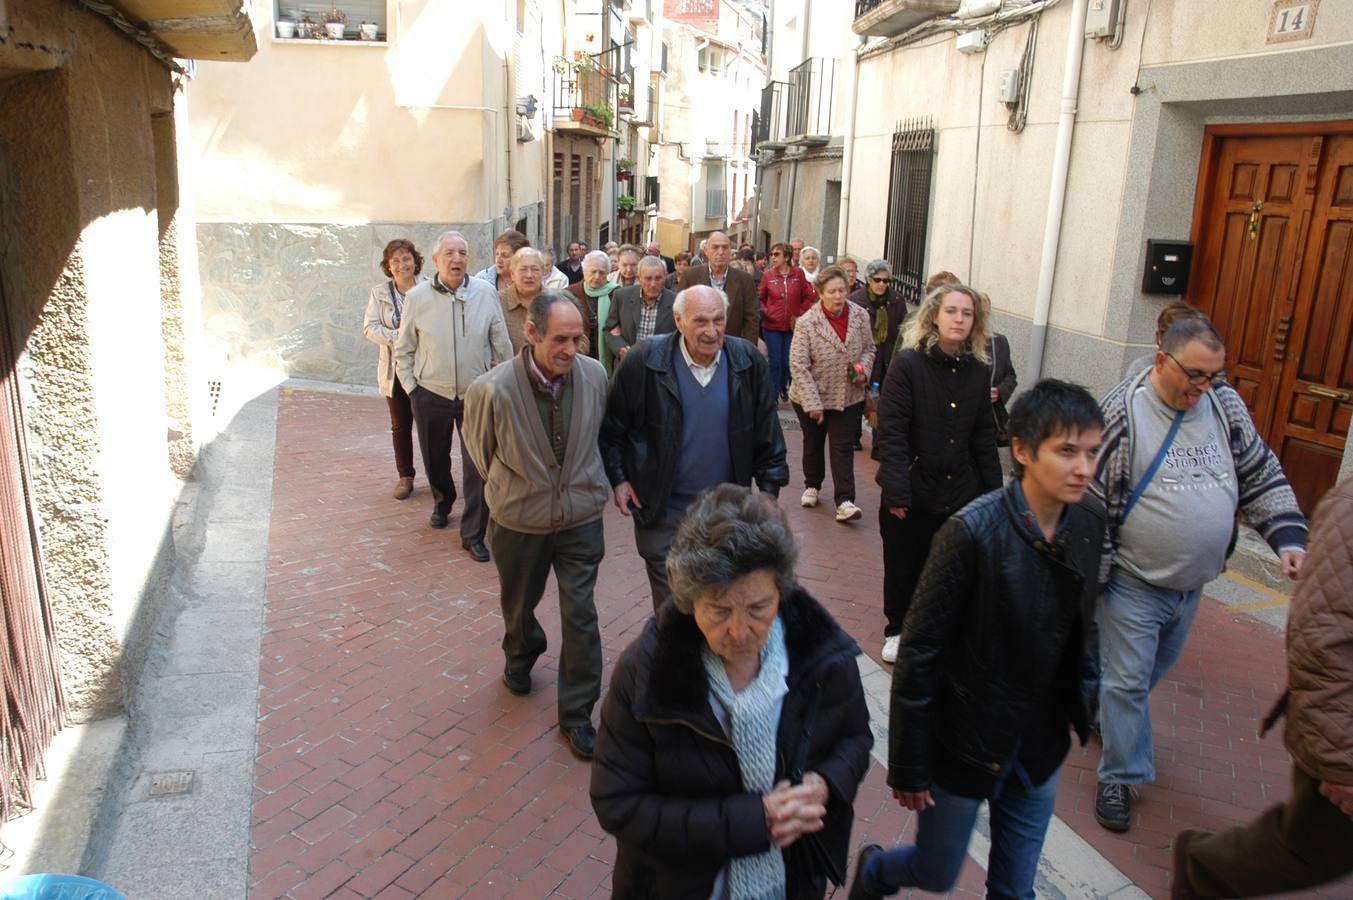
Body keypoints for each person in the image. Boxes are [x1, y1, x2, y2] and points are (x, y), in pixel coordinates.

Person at [850, 379, 1108, 900]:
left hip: (1039, 744)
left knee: (1015, 889)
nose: (1084, 467)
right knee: (936, 872)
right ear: (1021, 450)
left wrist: (1085, 691)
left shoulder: (1088, 523)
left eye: (1092, 452)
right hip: (966, 744)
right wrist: (908, 764)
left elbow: (1083, 619)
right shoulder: (971, 533)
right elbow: (920, 653)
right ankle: (877, 871)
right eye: (1066, 451)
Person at [591, 484, 873, 899]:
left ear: (781, 592)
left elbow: (854, 736)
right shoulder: (647, 671)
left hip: (792, 882)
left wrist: (826, 783)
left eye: (758, 608)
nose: (740, 632)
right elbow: (617, 802)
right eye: (719, 611)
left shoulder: (820, 656)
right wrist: (753, 822)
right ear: (689, 601)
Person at [1089, 314, 1307, 832]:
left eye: (1214, 376)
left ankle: (1104, 712)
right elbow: (1093, 503)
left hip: (1192, 585)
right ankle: (1119, 775)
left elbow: (1257, 469)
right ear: (1163, 359)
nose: (1204, 388)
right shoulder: (1123, 411)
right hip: (1132, 581)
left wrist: (1287, 536)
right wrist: (1088, 585)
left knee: (1141, 679)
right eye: (1196, 376)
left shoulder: (1222, 404)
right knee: (1127, 682)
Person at [1171, 476, 1353, 899]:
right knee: (1309, 849)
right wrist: (1341, 762)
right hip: (1342, 735)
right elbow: (1322, 642)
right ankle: (1202, 866)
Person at [463, 292, 609, 760]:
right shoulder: (492, 389)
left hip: (581, 519)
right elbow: (480, 453)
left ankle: (577, 715)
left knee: (581, 615)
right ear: (531, 334)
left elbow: (600, 439)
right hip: (519, 522)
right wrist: (519, 493)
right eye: (560, 339)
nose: (571, 349)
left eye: (577, 338)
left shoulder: (596, 376)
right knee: (520, 603)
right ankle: (521, 654)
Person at [600, 286, 788, 613]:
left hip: (726, 513)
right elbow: (613, 428)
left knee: (719, 603)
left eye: (719, 320)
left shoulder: (746, 361)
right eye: (701, 321)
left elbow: (766, 432)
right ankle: (673, 662)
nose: (712, 331)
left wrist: (769, 492)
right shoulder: (645, 361)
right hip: (662, 509)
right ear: (678, 320)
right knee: (674, 608)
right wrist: (619, 479)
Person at [875, 283, 1001, 664]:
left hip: (959, 489)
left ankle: (939, 629)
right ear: (933, 316)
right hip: (912, 489)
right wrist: (897, 491)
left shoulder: (978, 369)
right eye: (952, 311)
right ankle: (897, 628)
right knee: (904, 566)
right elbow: (892, 430)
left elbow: (983, 436)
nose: (959, 319)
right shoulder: (908, 364)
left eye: (967, 313)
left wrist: (994, 495)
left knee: (949, 568)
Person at [393, 231, 512, 561]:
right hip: (430, 393)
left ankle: (473, 532)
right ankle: (443, 500)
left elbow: (502, 343)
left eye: (462, 252)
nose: (457, 258)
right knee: (435, 458)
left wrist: (499, 381)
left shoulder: (486, 294)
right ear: (435, 261)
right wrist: (412, 389)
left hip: (476, 394)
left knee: (478, 465)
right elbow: (403, 350)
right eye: (449, 253)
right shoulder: (417, 298)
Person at [788, 266, 874, 524]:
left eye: (842, 290)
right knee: (813, 442)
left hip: (848, 395)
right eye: (832, 291)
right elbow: (799, 365)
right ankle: (812, 484)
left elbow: (870, 348)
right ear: (820, 292)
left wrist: (863, 371)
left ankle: (845, 501)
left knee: (842, 447)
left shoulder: (860, 316)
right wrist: (813, 403)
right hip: (810, 395)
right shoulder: (807, 323)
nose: (838, 296)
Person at [362, 238, 424, 500]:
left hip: (425, 370)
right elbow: (369, 328)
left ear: (415, 260)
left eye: (406, 258)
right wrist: (398, 336)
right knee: (400, 425)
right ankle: (405, 477)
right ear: (388, 266)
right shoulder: (380, 293)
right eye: (395, 261)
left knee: (431, 425)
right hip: (394, 370)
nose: (402, 265)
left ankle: (437, 475)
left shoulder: (430, 289)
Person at [498, 247, 588, 354]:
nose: (529, 275)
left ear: (543, 273)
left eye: (535, 269)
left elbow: (582, 344)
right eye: (523, 269)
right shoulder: (497, 302)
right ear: (512, 274)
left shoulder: (557, 301)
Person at [679, 230, 760, 343]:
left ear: (731, 252)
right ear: (706, 251)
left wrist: (747, 351)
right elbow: (680, 312)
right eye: (715, 247)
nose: (720, 252)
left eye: (725, 247)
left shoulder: (745, 280)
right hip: (697, 347)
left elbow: (752, 319)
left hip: (731, 348)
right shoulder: (690, 276)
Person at [759, 242, 812, 401]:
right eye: (771, 254)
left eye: (777, 254)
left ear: (787, 257)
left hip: (792, 326)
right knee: (775, 361)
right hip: (772, 326)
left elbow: (808, 297)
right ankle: (773, 395)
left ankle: (783, 385)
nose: (773, 257)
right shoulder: (768, 275)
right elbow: (760, 298)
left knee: (787, 361)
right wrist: (767, 313)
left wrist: (800, 315)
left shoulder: (798, 274)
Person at [603, 255, 675, 362]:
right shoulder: (622, 296)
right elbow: (610, 329)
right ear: (639, 277)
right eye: (648, 278)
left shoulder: (676, 301)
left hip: (661, 368)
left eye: (658, 278)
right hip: (628, 364)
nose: (653, 284)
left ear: (665, 276)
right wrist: (621, 348)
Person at [568, 250, 616, 373]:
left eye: (602, 272)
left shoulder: (617, 294)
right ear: (584, 271)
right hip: (577, 356)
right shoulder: (570, 293)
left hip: (608, 356)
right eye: (593, 271)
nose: (597, 276)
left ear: (608, 273)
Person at [981, 293, 1017, 448]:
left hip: (990, 421)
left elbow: (1011, 376)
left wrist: (1000, 391)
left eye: (985, 313)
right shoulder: (959, 343)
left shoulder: (999, 342)